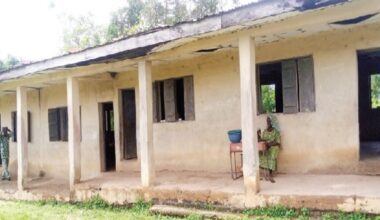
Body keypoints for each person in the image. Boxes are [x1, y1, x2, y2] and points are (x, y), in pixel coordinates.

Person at [257, 115, 281, 183]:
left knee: (272, 152)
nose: (268, 122)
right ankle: (264, 173)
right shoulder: (264, 131)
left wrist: (270, 144)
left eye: (269, 121)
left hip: (273, 146)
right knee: (260, 152)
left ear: (273, 122)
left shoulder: (276, 132)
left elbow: (278, 142)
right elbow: (262, 140)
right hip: (266, 146)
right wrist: (258, 135)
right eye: (267, 121)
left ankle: (270, 174)